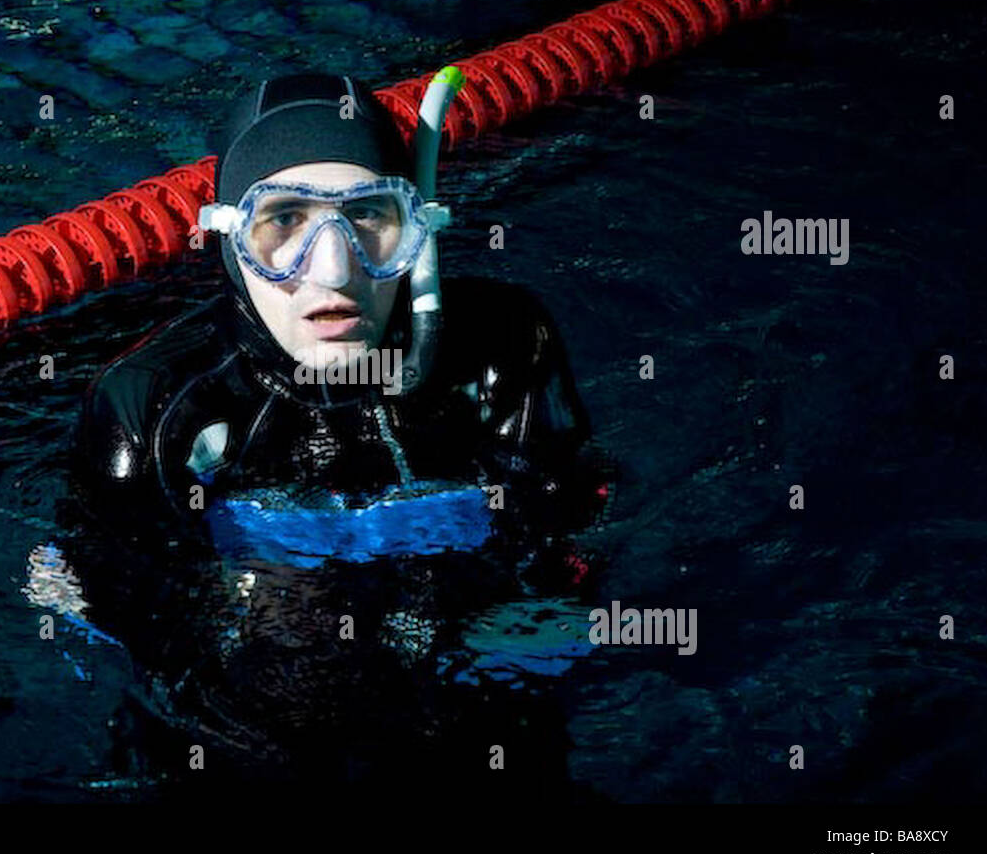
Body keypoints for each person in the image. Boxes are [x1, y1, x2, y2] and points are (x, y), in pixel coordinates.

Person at [51, 71, 613, 786]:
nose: (334, 267)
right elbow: (129, 617)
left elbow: (572, 531)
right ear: (228, 239)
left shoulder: (506, 346)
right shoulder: (154, 406)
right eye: (283, 221)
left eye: (370, 217)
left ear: (419, 227)